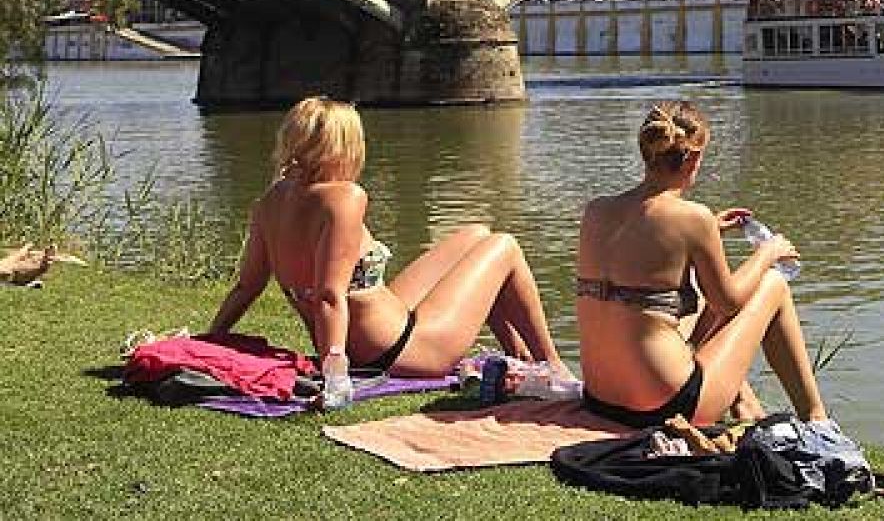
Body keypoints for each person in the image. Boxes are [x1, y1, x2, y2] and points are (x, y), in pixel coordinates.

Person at [207, 97, 571, 389]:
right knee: (503, 246)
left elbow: (248, 286)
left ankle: (519, 360)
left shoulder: (272, 200)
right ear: (344, 148)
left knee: (477, 236)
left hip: (382, 326)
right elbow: (331, 295)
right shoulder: (345, 197)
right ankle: (555, 369)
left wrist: (211, 338)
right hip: (403, 350)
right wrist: (335, 374)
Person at [575, 101, 828, 427]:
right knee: (773, 285)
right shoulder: (693, 218)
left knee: (684, 292)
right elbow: (728, 302)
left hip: (601, 400)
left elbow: (647, 258)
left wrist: (710, 231)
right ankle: (816, 418)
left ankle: (744, 403)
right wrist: (768, 251)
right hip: (666, 407)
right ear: (693, 158)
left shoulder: (596, 211)